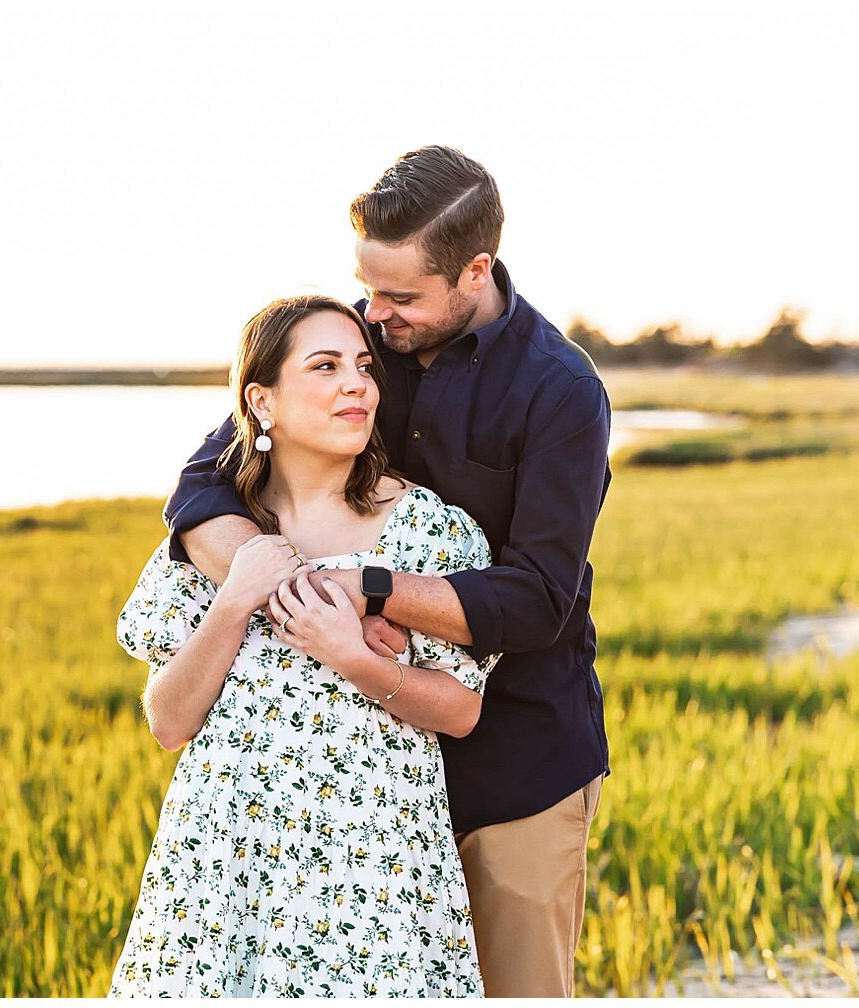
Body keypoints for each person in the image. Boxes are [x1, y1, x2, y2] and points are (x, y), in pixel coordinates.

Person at [165, 147, 611, 998]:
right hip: (352, 777)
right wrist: (283, 584)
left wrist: (361, 586)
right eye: (367, 289)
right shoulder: (353, 350)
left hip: (512, 763)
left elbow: (537, 600)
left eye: (400, 297)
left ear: (474, 272)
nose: (375, 315)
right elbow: (203, 486)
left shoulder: (561, 392)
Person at [108, 294, 499, 998]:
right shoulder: (214, 538)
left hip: (369, 864)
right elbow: (167, 723)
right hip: (226, 861)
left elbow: (461, 712)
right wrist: (235, 600)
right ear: (262, 401)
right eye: (325, 366)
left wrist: (352, 654)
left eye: (363, 367)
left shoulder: (432, 534)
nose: (357, 384)